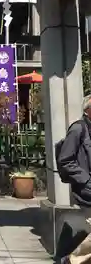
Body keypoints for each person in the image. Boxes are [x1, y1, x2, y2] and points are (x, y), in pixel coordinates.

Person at [56, 95, 91, 263]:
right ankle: (71, 260)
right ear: (88, 110)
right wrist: (86, 181)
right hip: (85, 190)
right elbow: (65, 161)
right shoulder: (78, 129)